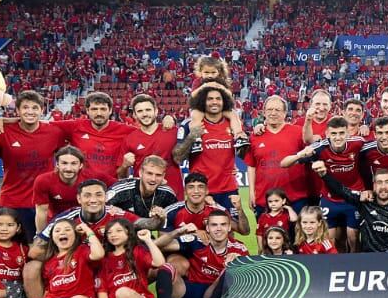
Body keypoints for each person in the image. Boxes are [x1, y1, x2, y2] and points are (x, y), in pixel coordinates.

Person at [0, 90, 66, 240]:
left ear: (42, 110)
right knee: (7, 248)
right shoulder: (4, 131)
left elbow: (64, 158)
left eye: (35, 108)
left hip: (42, 203)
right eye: (25, 107)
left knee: (41, 249)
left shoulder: (54, 132)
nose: (30, 111)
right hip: (12, 201)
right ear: (18, 111)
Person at [19, 217, 105, 298]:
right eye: (57, 231)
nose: (62, 233)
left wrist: (88, 230)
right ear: (52, 238)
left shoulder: (82, 251)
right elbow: (48, 291)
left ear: (75, 235)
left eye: (67, 230)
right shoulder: (49, 262)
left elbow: (99, 254)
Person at [286, 116, 367, 250]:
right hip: (330, 199)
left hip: (353, 196)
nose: (338, 137)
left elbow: (376, 147)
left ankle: (355, 265)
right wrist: (300, 154)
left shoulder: (358, 143)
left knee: (353, 236)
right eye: (333, 133)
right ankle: (335, 267)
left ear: (347, 132)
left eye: (341, 133)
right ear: (327, 134)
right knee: (329, 240)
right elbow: (284, 163)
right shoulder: (320, 148)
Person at [153, 208, 243, 298]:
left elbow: (249, 277)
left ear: (229, 227)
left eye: (223, 224)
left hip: (213, 295)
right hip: (186, 294)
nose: (219, 229)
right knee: (166, 267)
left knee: (233, 268)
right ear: (207, 228)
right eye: (214, 225)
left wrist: (240, 261)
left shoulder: (239, 248)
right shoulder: (196, 241)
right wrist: (178, 232)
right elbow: (156, 246)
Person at [173, 83, 249, 213]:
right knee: (202, 231)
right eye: (210, 99)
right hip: (201, 190)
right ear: (203, 101)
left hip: (228, 189)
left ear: (224, 101)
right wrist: (192, 137)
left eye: (218, 98)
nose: (214, 102)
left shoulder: (233, 124)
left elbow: (242, 155)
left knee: (231, 229)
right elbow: (177, 157)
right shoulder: (190, 125)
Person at [94, 218, 169, 298]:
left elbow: (159, 262)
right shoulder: (104, 259)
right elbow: (101, 290)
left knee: (122, 292)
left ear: (128, 232)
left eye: (118, 231)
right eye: (109, 232)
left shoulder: (137, 251)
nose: (113, 235)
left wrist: (148, 240)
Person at [245, 95, 310, 214]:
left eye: (277, 110)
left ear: (285, 113)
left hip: (295, 198)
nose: (273, 113)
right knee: (266, 232)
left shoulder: (298, 132)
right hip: (264, 199)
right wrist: (251, 193)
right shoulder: (255, 136)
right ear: (264, 112)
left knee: (297, 233)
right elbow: (252, 166)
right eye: (269, 110)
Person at [55, 91, 135, 185]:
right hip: (81, 186)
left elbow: (146, 133)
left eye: (103, 109)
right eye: (94, 109)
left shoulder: (126, 131)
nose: (99, 113)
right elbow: (44, 127)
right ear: (87, 111)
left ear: (110, 110)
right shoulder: (75, 126)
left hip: (111, 187)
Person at [121, 93, 182, 197]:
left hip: (173, 194)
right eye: (140, 111)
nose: (144, 114)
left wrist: (171, 118)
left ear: (156, 111)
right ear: (134, 115)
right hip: (143, 197)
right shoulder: (129, 139)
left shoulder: (173, 131)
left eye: (148, 110)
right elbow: (121, 175)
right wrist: (124, 166)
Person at [106, 154, 179, 228]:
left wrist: (162, 218)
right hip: (123, 234)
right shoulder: (122, 189)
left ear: (163, 176)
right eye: (149, 173)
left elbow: (176, 221)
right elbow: (100, 210)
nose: (153, 179)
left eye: (158, 175)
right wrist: (115, 212)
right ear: (141, 173)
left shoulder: (167, 193)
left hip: (150, 236)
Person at [32, 146, 85, 234]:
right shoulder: (43, 180)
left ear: (81, 165)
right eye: (64, 163)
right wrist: (40, 235)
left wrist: (114, 208)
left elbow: (116, 186)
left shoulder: (93, 178)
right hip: (55, 223)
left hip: (83, 223)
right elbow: (41, 212)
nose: (68, 168)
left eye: (74, 163)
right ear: (57, 164)